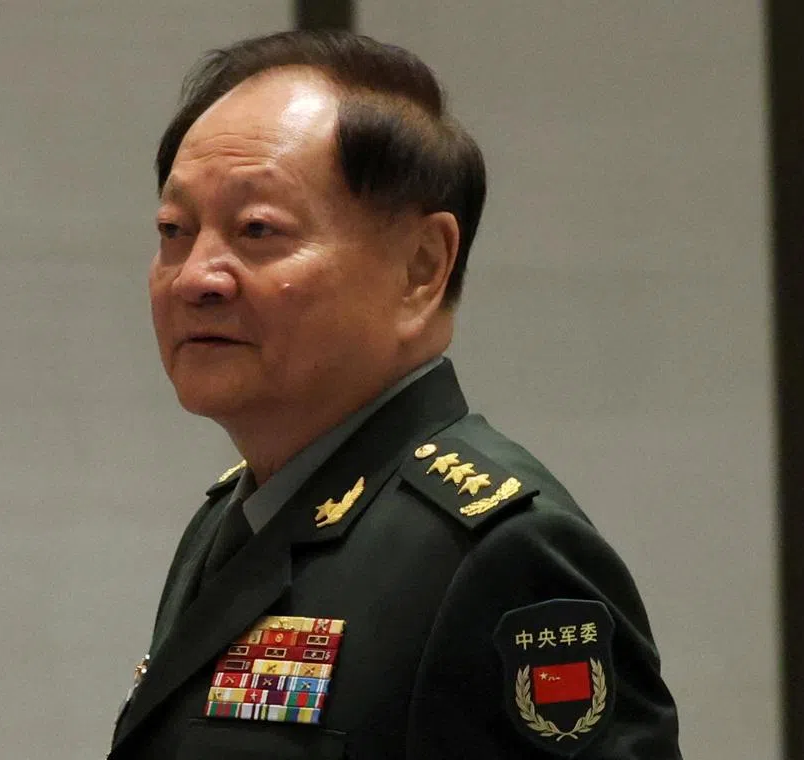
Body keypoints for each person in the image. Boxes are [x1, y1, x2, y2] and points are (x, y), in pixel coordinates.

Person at [109, 30, 682, 759]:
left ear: (421, 266)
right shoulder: (235, 517)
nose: (196, 277)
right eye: (173, 230)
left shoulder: (502, 555)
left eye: (257, 230)